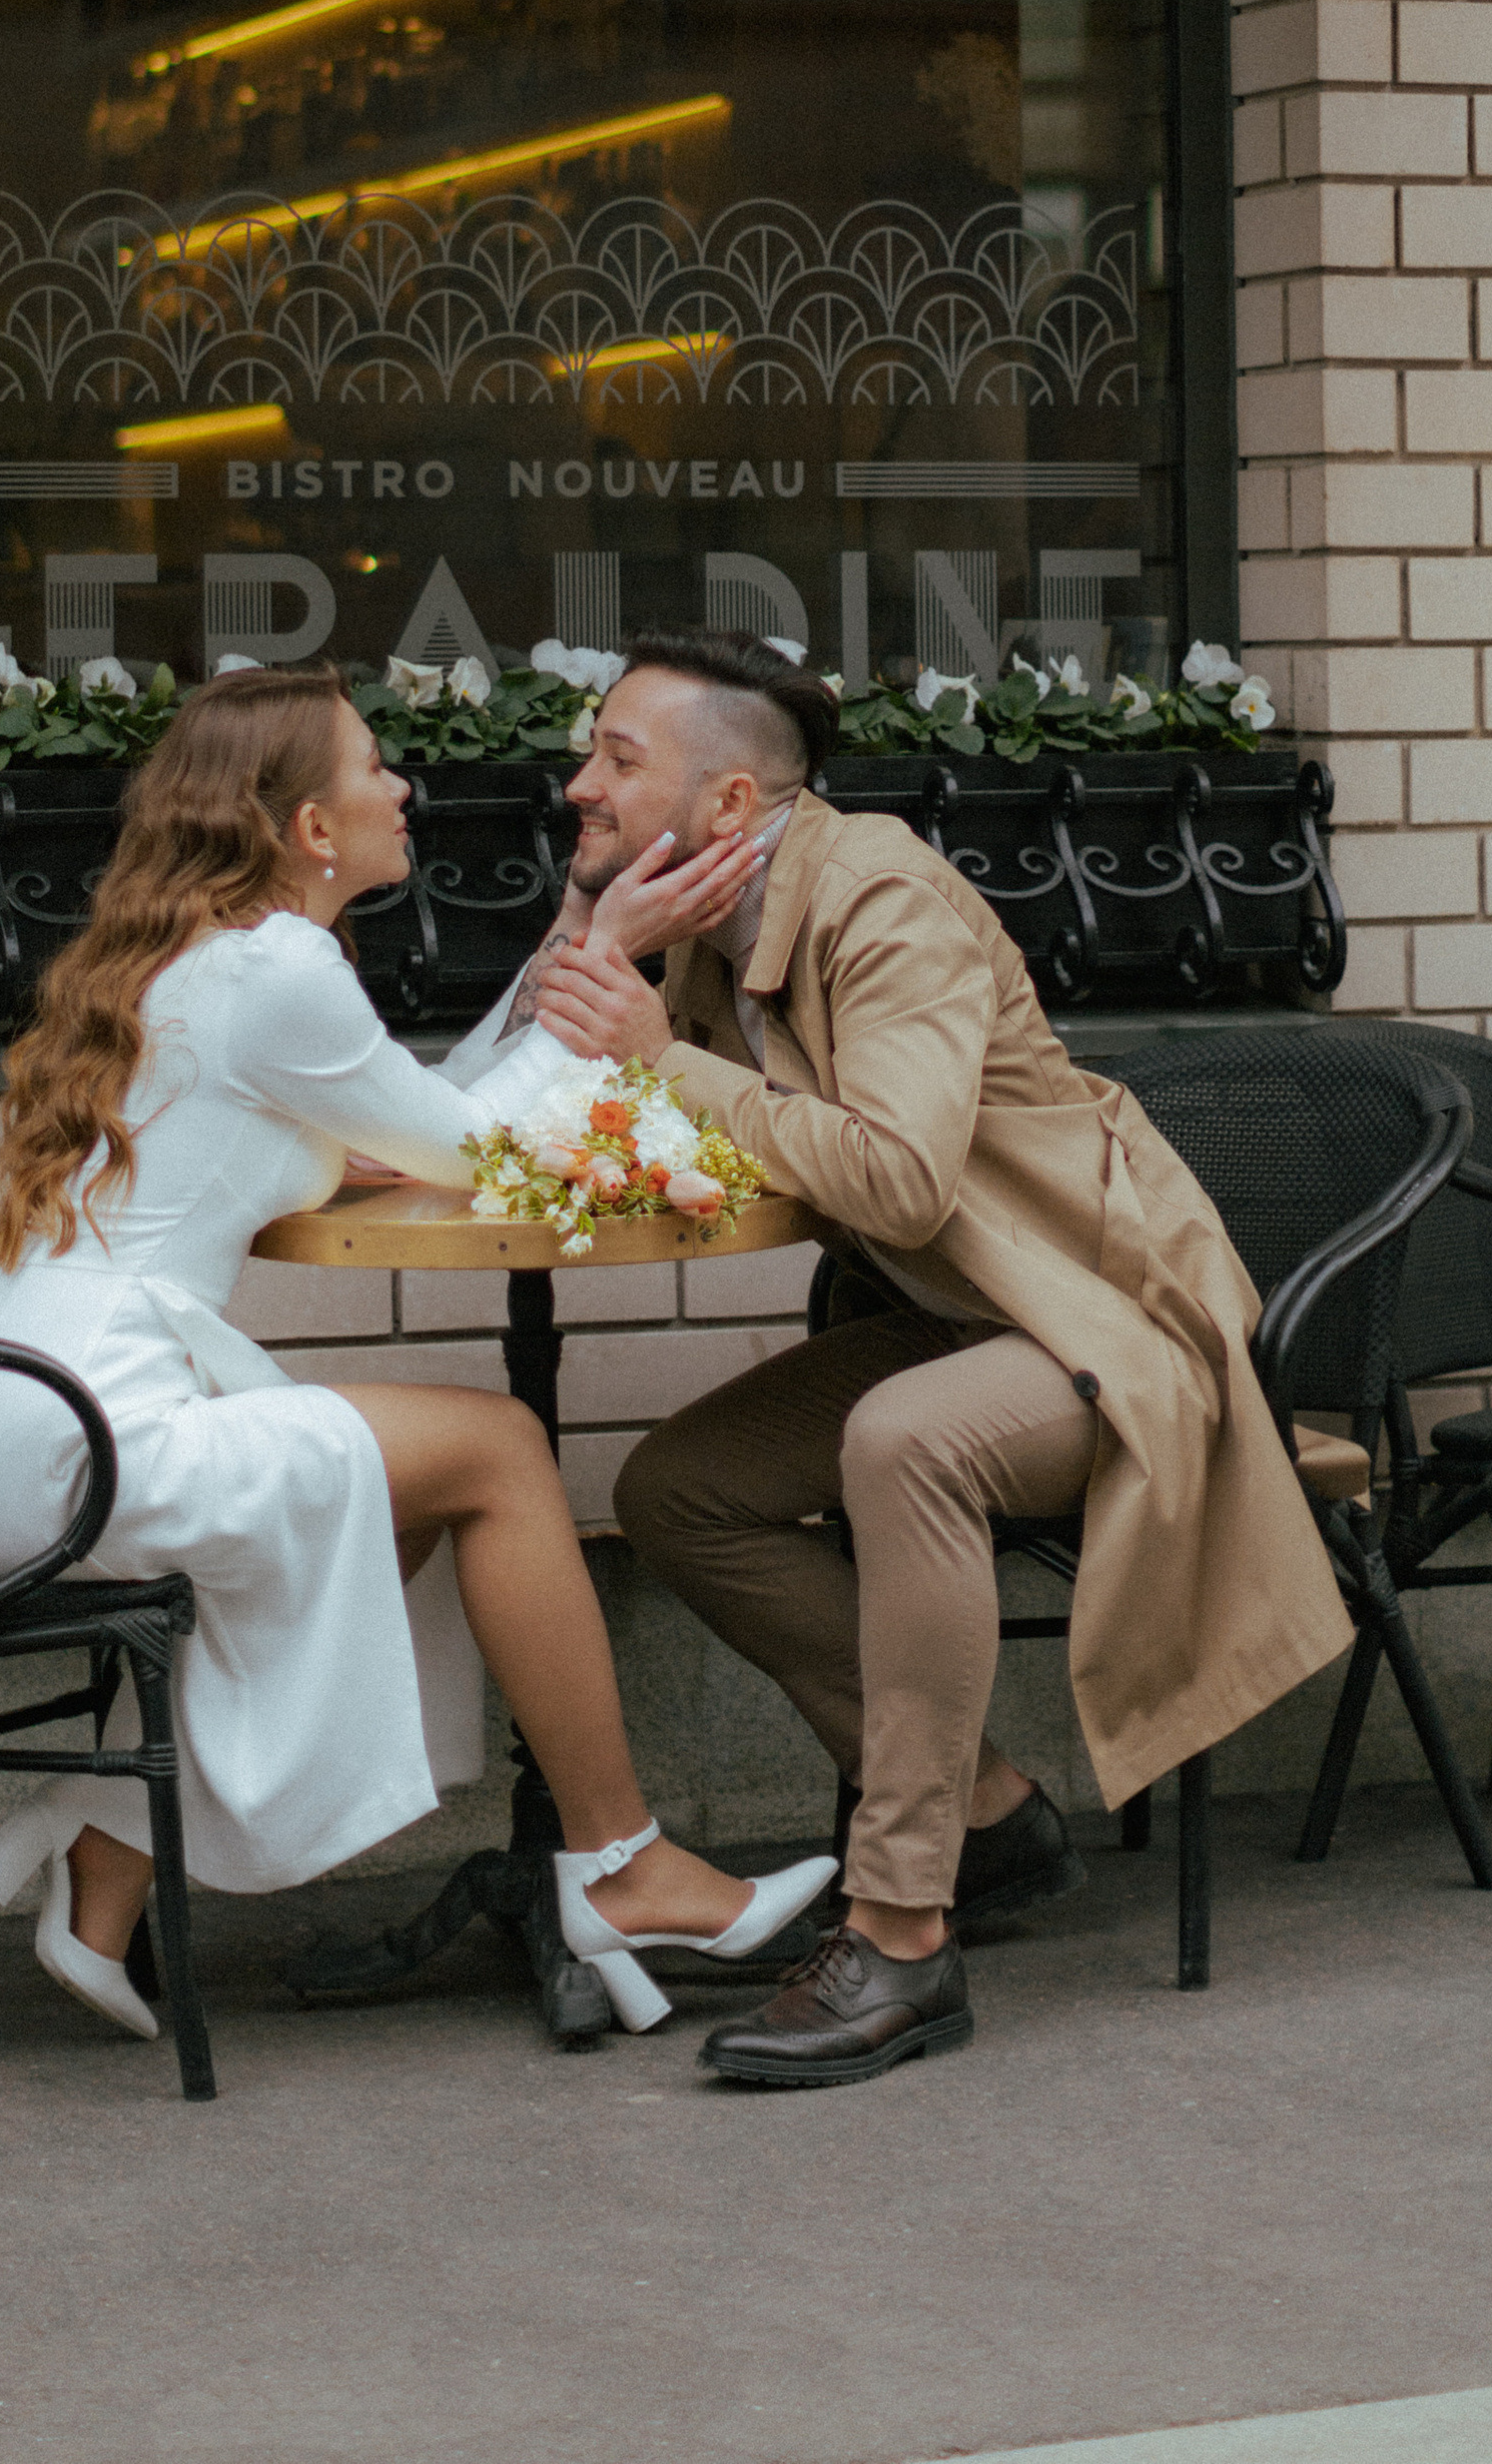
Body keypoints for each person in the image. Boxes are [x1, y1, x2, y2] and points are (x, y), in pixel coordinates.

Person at [456, 628, 1351, 2090]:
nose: (578, 785)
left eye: (617, 760)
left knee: (905, 1441)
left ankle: (903, 1928)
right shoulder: (685, 912)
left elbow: (901, 1185)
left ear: (732, 806)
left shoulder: (882, 902)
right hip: (961, 1317)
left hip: (1098, 1320)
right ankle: (987, 1817)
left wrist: (657, 1056)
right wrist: (590, 928)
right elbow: (504, 1108)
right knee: (684, 1487)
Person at [0, 661, 832, 2043]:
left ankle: (108, 1865)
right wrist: (612, 955)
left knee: (371, 1506)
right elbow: (480, 1145)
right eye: (375, 765)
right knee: (500, 1450)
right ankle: (620, 1867)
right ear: (311, 831)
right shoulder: (278, 967)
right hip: (73, 1438)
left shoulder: (208, 955)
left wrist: (578, 930)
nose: (405, 785)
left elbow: (420, 1116)